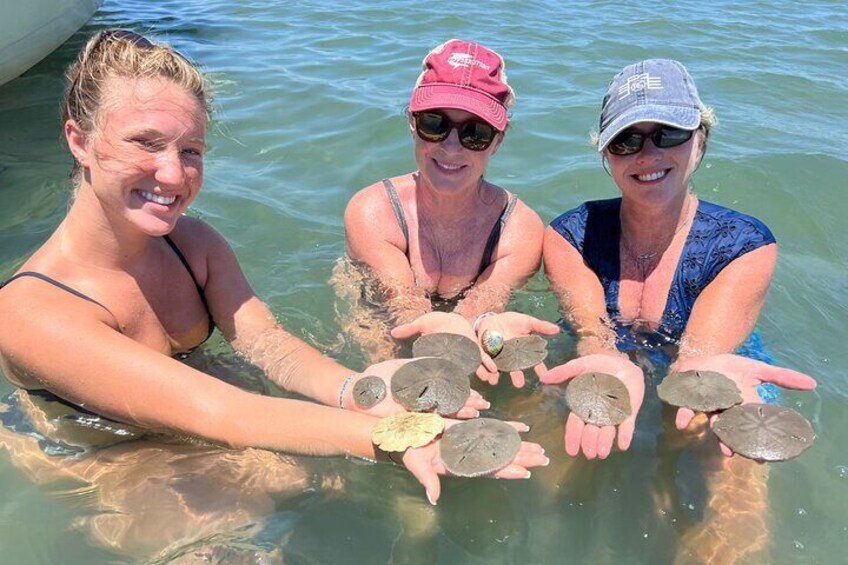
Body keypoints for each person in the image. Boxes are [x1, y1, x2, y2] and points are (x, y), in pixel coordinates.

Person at [0, 29, 546, 517]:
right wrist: (392, 435)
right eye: (145, 143)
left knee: (358, 496)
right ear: (79, 140)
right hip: (101, 462)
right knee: (252, 521)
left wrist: (365, 389)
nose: (173, 173)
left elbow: (269, 345)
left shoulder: (193, 245)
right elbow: (223, 411)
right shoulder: (31, 312)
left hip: (213, 422)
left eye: (191, 150)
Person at [538, 59, 816, 562]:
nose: (648, 154)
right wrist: (602, 357)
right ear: (606, 153)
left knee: (717, 489)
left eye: (668, 133)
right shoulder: (568, 237)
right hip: (605, 365)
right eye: (627, 140)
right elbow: (594, 338)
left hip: (718, 369)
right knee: (551, 496)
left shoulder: (744, 246)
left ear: (701, 139)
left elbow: (697, 364)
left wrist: (695, 393)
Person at [340, 39, 558, 384]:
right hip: (383, 330)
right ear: (413, 124)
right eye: (435, 124)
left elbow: (481, 307)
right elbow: (401, 310)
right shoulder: (373, 211)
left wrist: (480, 326)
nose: (452, 147)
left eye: (476, 133)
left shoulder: (519, 229)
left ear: (498, 142)